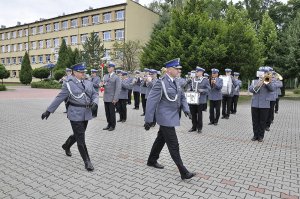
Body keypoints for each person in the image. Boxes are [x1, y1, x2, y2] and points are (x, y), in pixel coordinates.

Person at [144, 58, 196, 180]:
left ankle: (151, 160)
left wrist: (186, 109)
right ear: (169, 70)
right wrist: (148, 119)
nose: (179, 71)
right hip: (165, 117)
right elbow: (151, 101)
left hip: (173, 116)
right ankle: (183, 171)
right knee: (173, 144)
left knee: (160, 139)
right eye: (176, 69)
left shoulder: (176, 81)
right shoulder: (160, 82)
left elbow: (182, 96)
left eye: (179, 69)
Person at [41, 63, 99, 171]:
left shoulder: (88, 82)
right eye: (81, 72)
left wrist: (95, 102)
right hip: (75, 113)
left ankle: (66, 145)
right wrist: (48, 111)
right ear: (75, 73)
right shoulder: (68, 84)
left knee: (78, 134)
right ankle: (87, 161)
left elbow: (95, 94)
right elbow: (59, 97)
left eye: (84, 72)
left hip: (86, 113)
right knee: (81, 138)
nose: (83, 74)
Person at [249, 66, 275, 142]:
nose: (263, 74)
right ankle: (255, 135)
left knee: (262, 121)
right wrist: (260, 83)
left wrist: (267, 82)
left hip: (264, 104)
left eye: (265, 73)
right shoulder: (254, 81)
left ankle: (260, 136)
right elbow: (251, 89)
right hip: (255, 104)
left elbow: (272, 89)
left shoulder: (268, 81)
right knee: (255, 121)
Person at [188, 67, 211, 133]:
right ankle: (194, 127)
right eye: (196, 72)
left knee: (199, 114)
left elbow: (208, 89)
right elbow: (191, 87)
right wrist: (189, 89)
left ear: (201, 72)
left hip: (200, 100)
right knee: (193, 114)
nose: (196, 73)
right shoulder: (193, 79)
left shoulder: (205, 80)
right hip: (193, 99)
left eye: (197, 72)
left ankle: (199, 128)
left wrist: (202, 90)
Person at [101, 63, 121, 131]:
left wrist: (115, 99)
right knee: (107, 113)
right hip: (106, 97)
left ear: (113, 68)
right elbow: (104, 85)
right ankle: (109, 124)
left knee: (112, 113)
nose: (108, 68)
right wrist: (102, 85)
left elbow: (118, 89)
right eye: (107, 67)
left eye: (109, 67)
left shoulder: (116, 77)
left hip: (112, 98)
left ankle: (113, 125)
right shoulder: (106, 76)